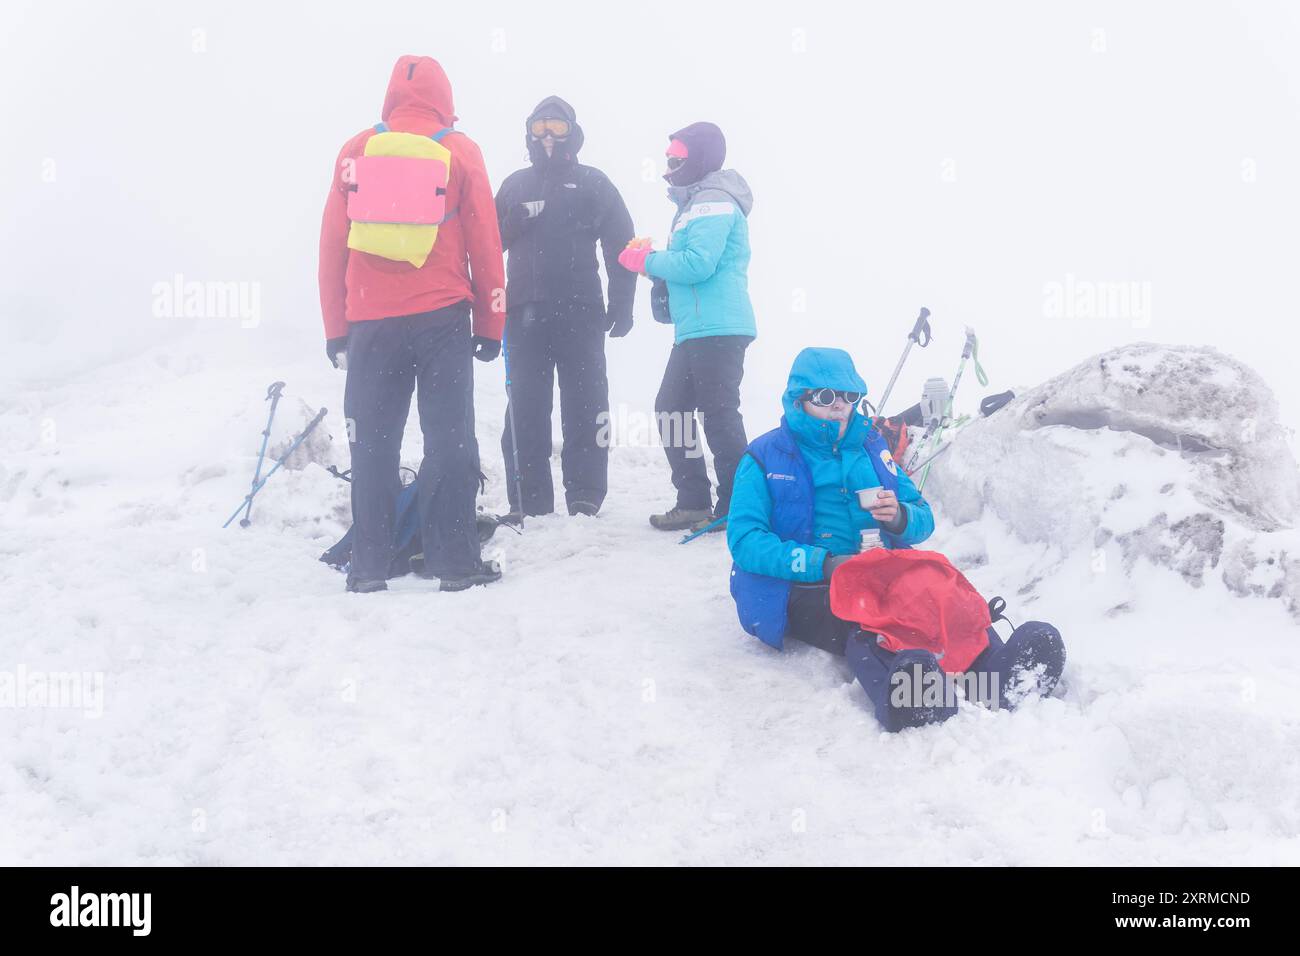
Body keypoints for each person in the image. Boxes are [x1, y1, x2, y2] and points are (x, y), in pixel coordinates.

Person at [726, 347, 1065, 731]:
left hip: (876, 567)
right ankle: (910, 694)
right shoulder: (765, 456)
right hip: (808, 581)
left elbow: (922, 517)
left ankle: (1001, 674)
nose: (839, 406)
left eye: (849, 396)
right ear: (799, 399)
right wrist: (822, 562)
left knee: (942, 590)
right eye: (826, 396)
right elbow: (745, 539)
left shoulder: (871, 448)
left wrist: (900, 517)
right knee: (865, 619)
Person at [318, 55, 506, 593]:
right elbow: (485, 242)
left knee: (372, 444)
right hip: (441, 315)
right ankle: (454, 563)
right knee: (449, 438)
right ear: (444, 96)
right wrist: (492, 322)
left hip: (370, 321)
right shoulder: (459, 149)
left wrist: (336, 326)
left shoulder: (356, 149)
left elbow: (332, 244)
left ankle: (369, 566)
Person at [494, 96, 636, 518]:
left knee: (587, 405)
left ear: (572, 131)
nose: (548, 135)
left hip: (581, 311)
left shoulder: (593, 182)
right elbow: (483, 247)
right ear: (529, 133)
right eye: (540, 127)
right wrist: (510, 225)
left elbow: (622, 244)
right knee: (525, 406)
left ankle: (585, 497)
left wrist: (622, 303)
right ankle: (529, 503)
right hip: (523, 314)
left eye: (556, 126)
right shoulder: (514, 185)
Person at [618, 122, 755, 533]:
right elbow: (690, 266)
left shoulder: (713, 200)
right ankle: (694, 501)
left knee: (718, 413)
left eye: (676, 159)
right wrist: (656, 272)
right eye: (667, 159)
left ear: (698, 159)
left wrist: (647, 260)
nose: (668, 168)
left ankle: (738, 505)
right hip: (698, 328)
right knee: (672, 408)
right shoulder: (695, 203)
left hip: (720, 326)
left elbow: (698, 264)